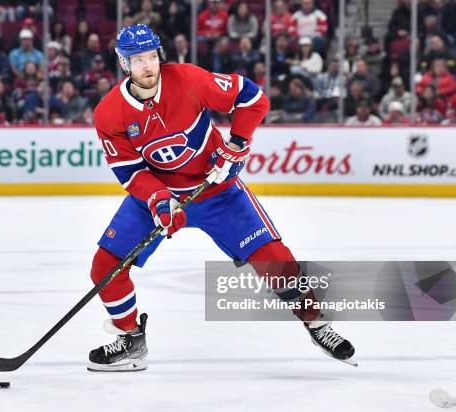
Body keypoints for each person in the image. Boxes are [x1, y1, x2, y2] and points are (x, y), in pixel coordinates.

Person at [88, 24, 356, 372]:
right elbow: (130, 171)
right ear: (124, 64)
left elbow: (253, 99)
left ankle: (316, 323)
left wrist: (237, 143)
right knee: (104, 268)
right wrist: (158, 199)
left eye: (151, 56)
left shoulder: (189, 79)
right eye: (137, 60)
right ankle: (130, 340)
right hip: (159, 199)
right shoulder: (109, 113)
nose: (147, 66)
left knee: (277, 261)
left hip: (219, 192)